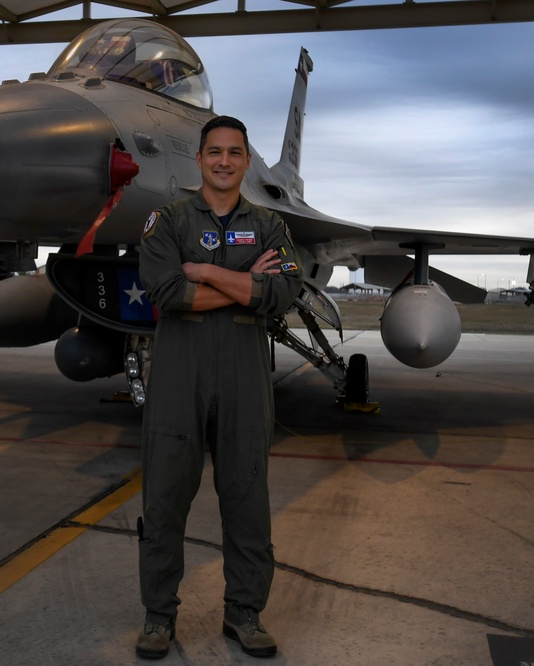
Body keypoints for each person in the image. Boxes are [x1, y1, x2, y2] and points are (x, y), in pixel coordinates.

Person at [135, 115, 304, 659]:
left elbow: (283, 295)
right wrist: (247, 282)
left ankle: (245, 615)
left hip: (243, 379)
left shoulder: (272, 225)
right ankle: (159, 618)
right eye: (215, 152)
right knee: (163, 500)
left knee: (248, 499)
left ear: (246, 161)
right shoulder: (168, 219)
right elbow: (166, 292)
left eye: (235, 153)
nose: (225, 161)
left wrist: (203, 273)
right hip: (178, 378)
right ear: (200, 159)